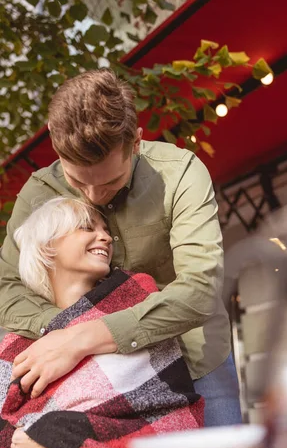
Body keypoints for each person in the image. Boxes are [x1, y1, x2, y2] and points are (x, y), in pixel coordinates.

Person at [0, 69, 241, 427]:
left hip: (196, 364)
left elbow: (200, 291)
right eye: (77, 181)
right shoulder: (38, 193)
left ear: (137, 142)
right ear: (54, 142)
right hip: (91, 378)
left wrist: (84, 335)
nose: (94, 195)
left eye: (112, 180)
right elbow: (8, 290)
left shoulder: (181, 174)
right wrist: (68, 336)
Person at [0, 197, 203, 448]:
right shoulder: (13, 343)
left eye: (106, 229)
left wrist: (63, 433)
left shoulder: (138, 303)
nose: (104, 237)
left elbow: (168, 412)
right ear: (48, 248)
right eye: (86, 227)